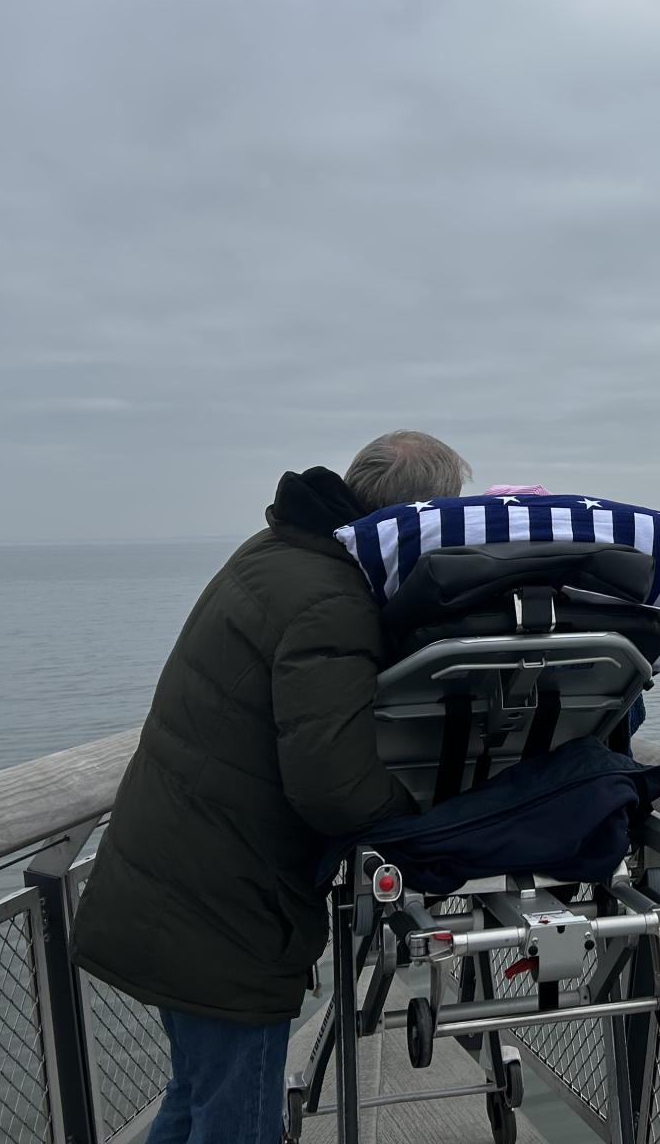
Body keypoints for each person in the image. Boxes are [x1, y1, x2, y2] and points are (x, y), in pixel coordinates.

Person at [72, 431, 471, 1144]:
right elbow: (333, 788)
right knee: (237, 1121)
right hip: (226, 915)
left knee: (195, 1096)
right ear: (420, 519)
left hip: (172, 877)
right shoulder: (334, 600)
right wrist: (421, 810)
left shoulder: (281, 552)